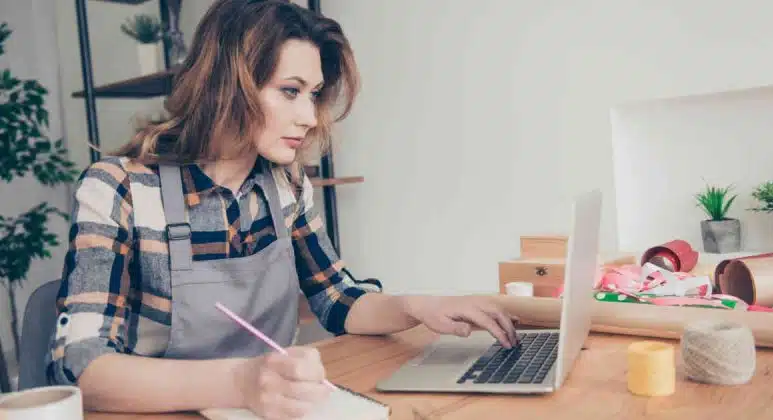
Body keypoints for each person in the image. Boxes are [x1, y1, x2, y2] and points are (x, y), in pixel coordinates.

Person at [46, 1, 518, 418]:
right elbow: (81, 365)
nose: (309, 117)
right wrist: (241, 383)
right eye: (290, 91)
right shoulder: (121, 188)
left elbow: (337, 298)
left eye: (313, 94)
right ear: (227, 83)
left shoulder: (286, 184)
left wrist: (418, 306)